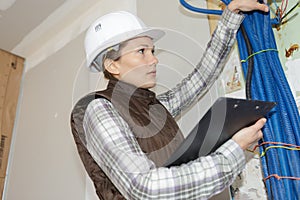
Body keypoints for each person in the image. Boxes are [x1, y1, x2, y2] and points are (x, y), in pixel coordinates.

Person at [70, 0, 269, 199]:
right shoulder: (99, 109)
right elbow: (145, 188)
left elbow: (200, 79)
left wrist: (231, 15)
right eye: (141, 51)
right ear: (112, 65)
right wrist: (231, 153)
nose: (154, 59)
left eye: (152, 51)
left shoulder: (152, 108)